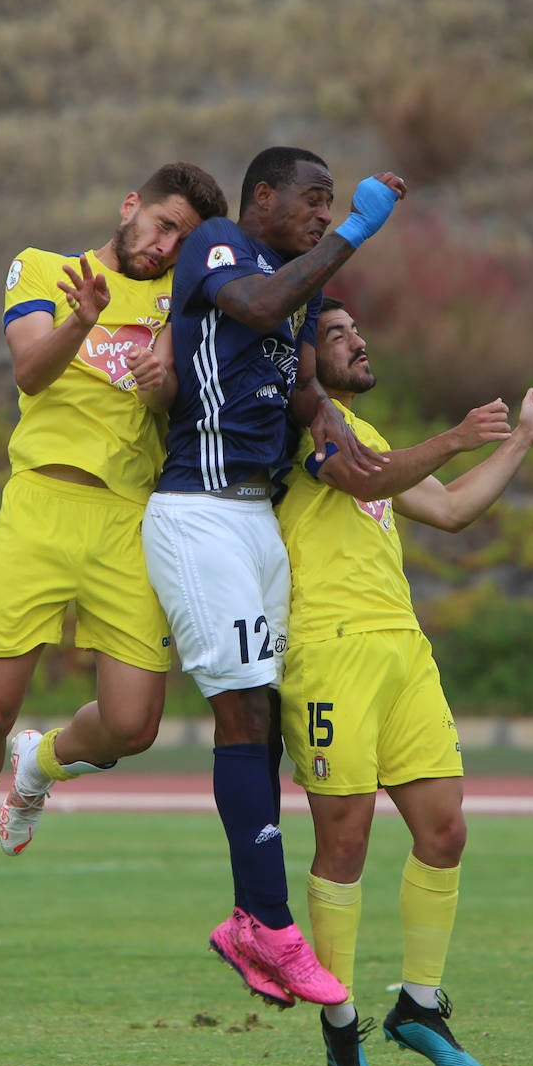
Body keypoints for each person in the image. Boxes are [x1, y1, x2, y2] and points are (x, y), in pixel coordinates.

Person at [0, 162, 228, 965]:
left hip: (128, 523)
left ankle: (41, 761)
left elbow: (171, 402)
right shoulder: (44, 268)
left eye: (182, 241)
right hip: (41, 509)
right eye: (161, 225)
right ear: (129, 205)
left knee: (132, 727)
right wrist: (83, 321)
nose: (164, 247)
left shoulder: (178, 303)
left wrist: (165, 381)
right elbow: (29, 370)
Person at [276, 298, 533, 1066]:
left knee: (444, 830)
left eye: (356, 330)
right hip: (328, 648)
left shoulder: (364, 433)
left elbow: (450, 510)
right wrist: (454, 436)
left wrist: (517, 443)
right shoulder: (300, 429)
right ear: (302, 360)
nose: (358, 341)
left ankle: (418, 1005)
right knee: (347, 837)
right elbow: (372, 476)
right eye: (336, 335)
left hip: (401, 646)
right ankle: (338, 1020)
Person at [141, 147, 404, 1010]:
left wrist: (325, 414)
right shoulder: (221, 246)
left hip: (258, 520)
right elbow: (254, 306)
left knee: (269, 715)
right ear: (263, 198)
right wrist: (359, 235)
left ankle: (255, 920)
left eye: (335, 209)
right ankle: (266, 922)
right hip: (199, 510)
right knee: (242, 705)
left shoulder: (297, 299)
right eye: (315, 201)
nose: (324, 217)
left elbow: (291, 378)